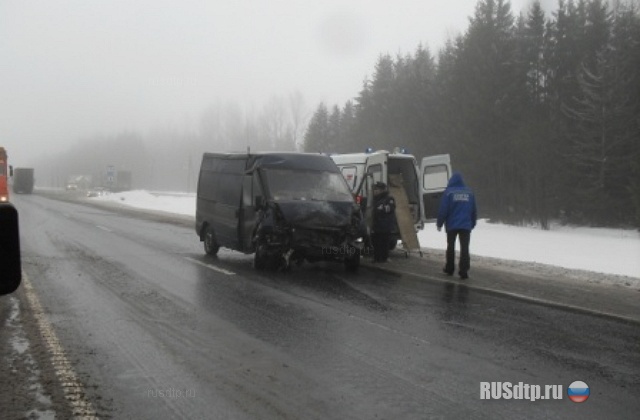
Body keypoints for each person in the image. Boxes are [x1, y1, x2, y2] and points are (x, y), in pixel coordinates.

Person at [436, 172, 477, 279]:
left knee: (451, 247)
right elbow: (474, 210)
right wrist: (473, 223)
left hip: (452, 225)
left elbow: (443, 210)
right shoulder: (469, 193)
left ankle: (449, 268)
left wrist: (439, 223)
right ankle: (464, 271)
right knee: (465, 248)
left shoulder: (449, 193)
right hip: (465, 225)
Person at [371, 181, 397, 263]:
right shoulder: (375, 199)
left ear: (382, 190)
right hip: (376, 225)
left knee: (384, 242)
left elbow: (389, 208)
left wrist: (380, 209)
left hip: (385, 225)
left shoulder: (388, 199)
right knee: (376, 242)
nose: (375, 191)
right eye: (374, 190)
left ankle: (384, 258)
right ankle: (377, 258)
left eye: (377, 189)